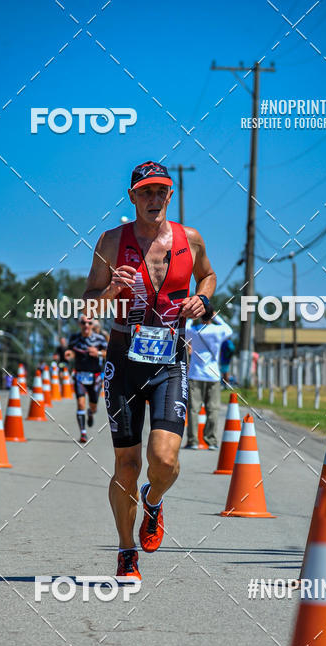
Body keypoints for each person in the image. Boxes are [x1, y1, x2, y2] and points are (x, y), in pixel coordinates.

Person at [82, 160, 216, 580]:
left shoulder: (190, 239)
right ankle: (126, 552)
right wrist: (110, 290)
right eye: (146, 192)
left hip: (170, 361)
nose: (154, 199)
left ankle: (153, 501)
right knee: (126, 464)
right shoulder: (110, 242)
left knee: (165, 459)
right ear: (132, 197)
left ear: (170, 195)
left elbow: (208, 277)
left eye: (161, 191)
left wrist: (203, 301)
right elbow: (88, 304)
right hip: (123, 358)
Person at [185, 311, 233, 449]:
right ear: (211, 316)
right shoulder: (218, 331)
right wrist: (216, 316)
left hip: (195, 374)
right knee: (213, 409)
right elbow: (229, 329)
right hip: (213, 375)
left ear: (200, 316)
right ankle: (211, 440)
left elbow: (185, 328)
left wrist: (191, 317)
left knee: (193, 409)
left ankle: (193, 441)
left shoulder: (194, 330)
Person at [65, 315, 108, 443]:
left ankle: (91, 412)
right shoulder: (74, 338)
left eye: (89, 323)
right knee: (80, 403)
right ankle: (83, 433)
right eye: (83, 323)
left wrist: (98, 353)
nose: (86, 326)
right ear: (80, 324)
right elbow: (71, 351)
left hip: (95, 376)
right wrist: (70, 354)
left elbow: (109, 353)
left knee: (93, 405)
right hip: (79, 375)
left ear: (93, 325)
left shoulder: (99, 339)